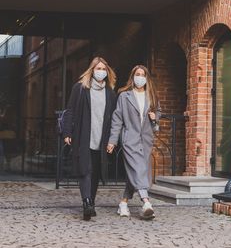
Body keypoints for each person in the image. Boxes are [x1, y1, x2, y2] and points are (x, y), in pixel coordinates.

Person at [63, 56, 116, 221]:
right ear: (91, 70)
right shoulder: (80, 88)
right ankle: (86, 202)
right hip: (83, 135)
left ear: (107, 72)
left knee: (96, 172)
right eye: (98, 69)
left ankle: (90, 202)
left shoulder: (110, 92)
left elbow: (114, 117)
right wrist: (67, 132)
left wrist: (112, 140)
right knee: (85, 169)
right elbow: (70, 110)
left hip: (102, 137)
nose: (101, 72)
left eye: (103, 69)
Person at [107, 65, 161, 220]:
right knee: (138, 169)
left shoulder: (151, 95)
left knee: (138, 171)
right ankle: (146, 202)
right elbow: (117, 119)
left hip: (146, 138)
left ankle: (123, 203)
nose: (140, 77)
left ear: (147, 78)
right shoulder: (124, 96)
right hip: (129, 138)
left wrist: (154, 118)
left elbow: (159, 112)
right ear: (132, 77)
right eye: (137, 74)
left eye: (143, 74)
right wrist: (112, 141)